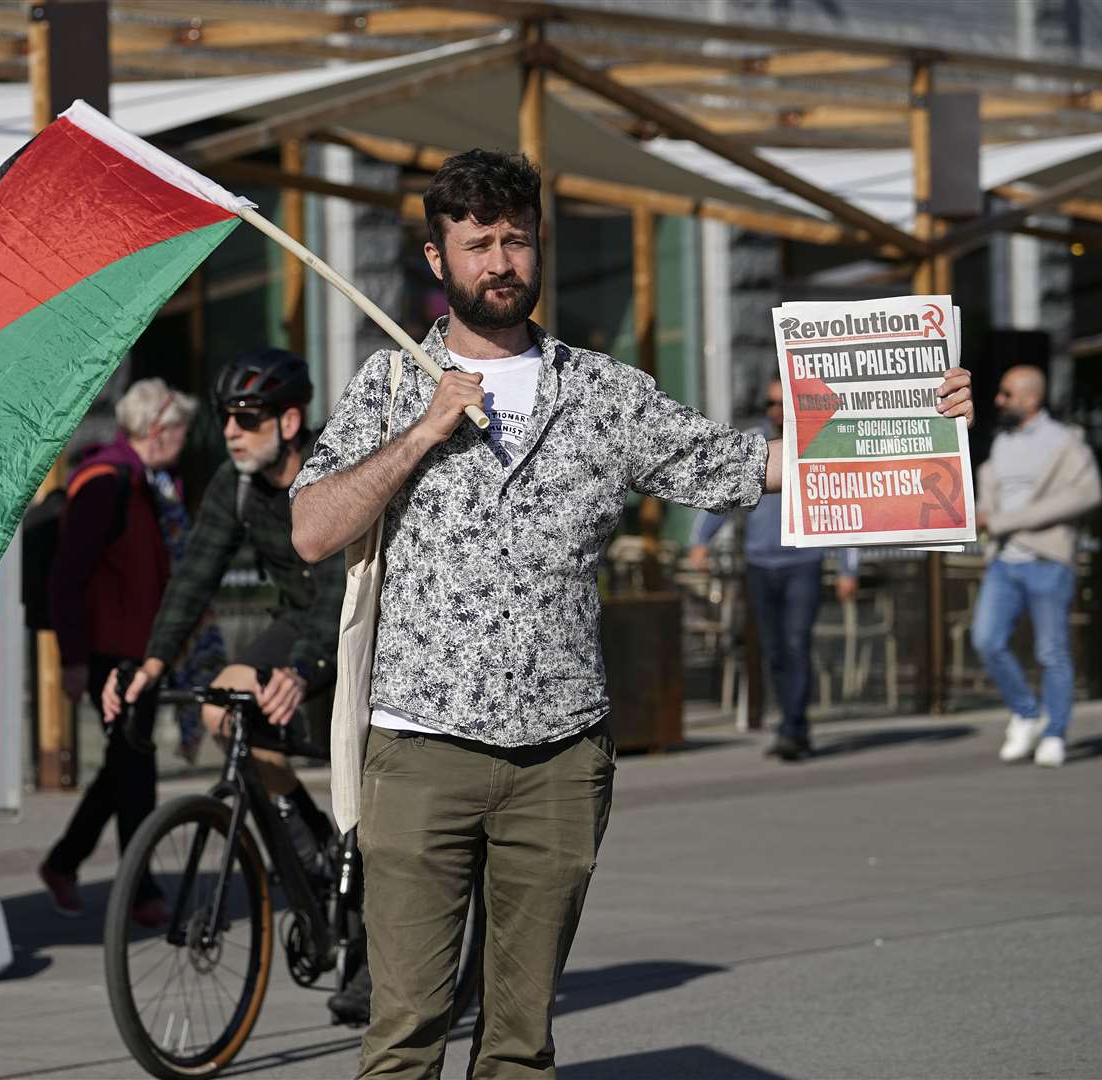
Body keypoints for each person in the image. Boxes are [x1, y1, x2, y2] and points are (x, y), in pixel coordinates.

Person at [288, 148, 975, 1078]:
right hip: (420, 747)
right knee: (404, 1033)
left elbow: (738, 464)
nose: (502, 261)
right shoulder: (392, 384)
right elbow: (312, 530)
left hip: (559, 758)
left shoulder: (603, 394)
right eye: (478, 243)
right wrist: (422, 433)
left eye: (518, 240)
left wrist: (915, 421)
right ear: (436, 257)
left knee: (521, 1043)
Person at [100, 349, 367, 1023]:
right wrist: (153, 666)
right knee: (225, 708)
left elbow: (341, 587)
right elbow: (192, 580)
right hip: (297, 623)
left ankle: (369, 938)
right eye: (225, 419)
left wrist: (303, 669)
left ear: (290, 419)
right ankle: (309, 846)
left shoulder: (336, 472)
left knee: (370, 784)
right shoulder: (237, 484)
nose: (231, 432)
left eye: (247, 419)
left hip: (367, 629)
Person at [38, 378, 197, 928]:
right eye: (181, 427)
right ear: (159, 428)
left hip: (139, 649)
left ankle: (64, 862)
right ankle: (140, 888)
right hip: (112, 655)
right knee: (135, 771)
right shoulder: (107, 483)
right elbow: (66, 578)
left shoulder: (147, 480)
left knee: (124, 766)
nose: (185, 436)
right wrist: (75, 660)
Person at [687, 376, 859, 762]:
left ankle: (794, 729)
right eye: (770, 403)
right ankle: (788, 723)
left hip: (803, 564)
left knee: (797, 644)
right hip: (760, 565)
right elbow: (723, 493)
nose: (776, 411)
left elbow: (843, 505)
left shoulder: (820, 441)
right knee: (775, 650)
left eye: (783, 404)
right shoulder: (753, 442)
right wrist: (701, 541)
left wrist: (848, 567)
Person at [974, 365, 1101, 768]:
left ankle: (1054, 733)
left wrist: (1004, 522)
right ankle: (1027, 713)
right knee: (987, 640)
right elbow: (989, 498)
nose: (998, 400)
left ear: (1032, 398)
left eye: (1006, 393)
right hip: (1004, 561)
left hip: (1048, 561)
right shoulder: (1002, 442)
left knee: (1052, 651)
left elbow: (1086, 494)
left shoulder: (1065, 443)